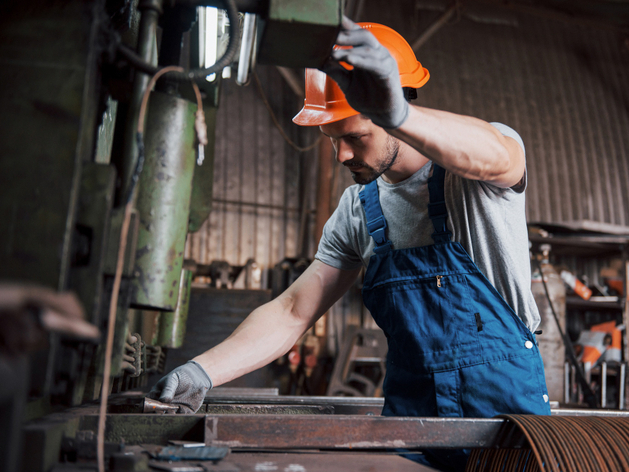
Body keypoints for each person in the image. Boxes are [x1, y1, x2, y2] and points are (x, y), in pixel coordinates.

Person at [148, 17, 550, 471]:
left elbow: (501, 155)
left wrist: (399, 114)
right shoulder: (358, 209)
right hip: (412, 428)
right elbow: (292, 311)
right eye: (332, 140)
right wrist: (202, 371)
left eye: (355, 136)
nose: (341, 155)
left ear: (398, 108)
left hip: (503, 428)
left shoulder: (472, 179)